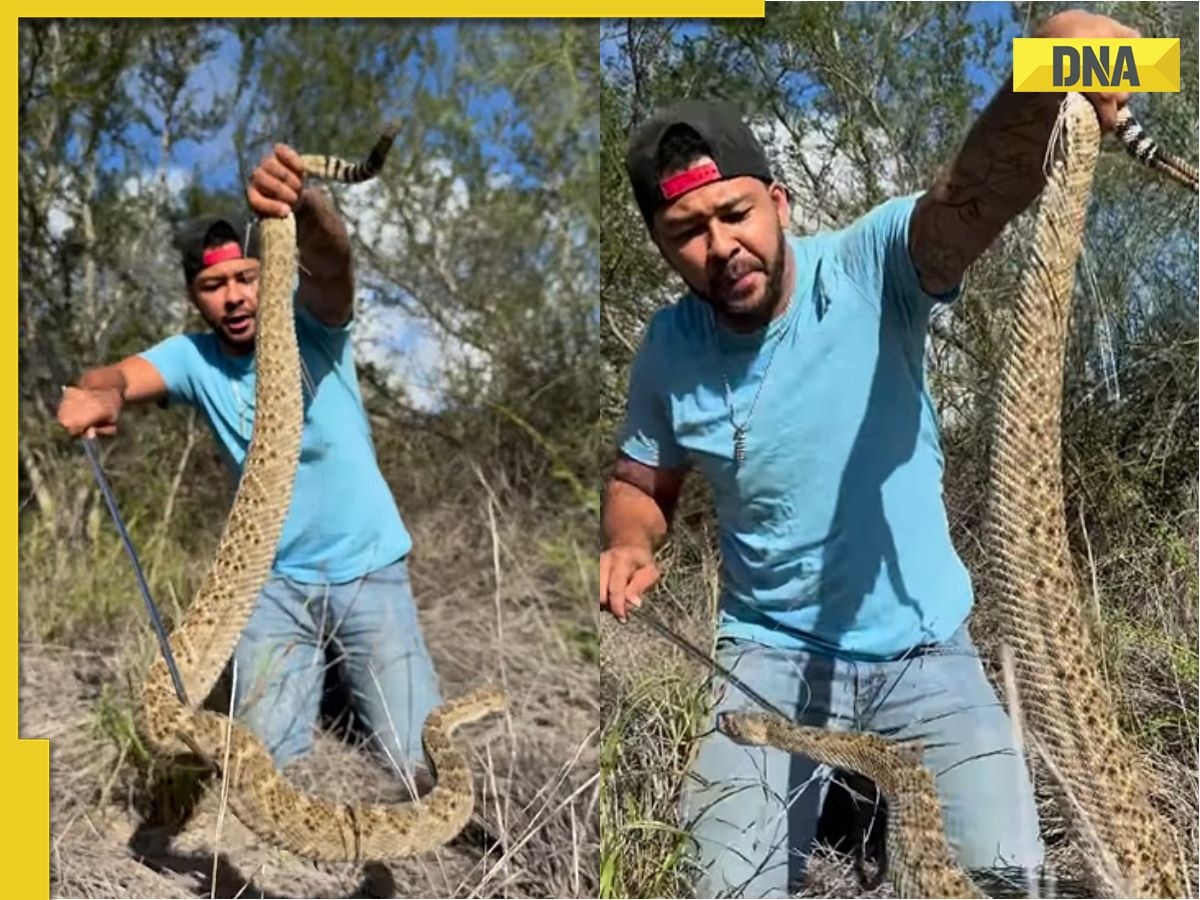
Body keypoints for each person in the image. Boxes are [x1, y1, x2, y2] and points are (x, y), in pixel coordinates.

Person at [600, 9, 1138, 898]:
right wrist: (629, 540)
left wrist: (1057, 66)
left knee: (1006, 883)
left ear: (778, 200)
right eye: (686, 233)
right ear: (664, 248)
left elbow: (973, 195)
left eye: (735, 212)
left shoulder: (873, 264)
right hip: (764, 657)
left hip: (927, 651)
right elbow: (640, 480)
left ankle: (872, 803)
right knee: (720, 887)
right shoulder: (669, 349)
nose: (719, 247)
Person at [57, 142, 442, 780]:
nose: (234, 297)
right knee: (268, 764)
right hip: (271, 586)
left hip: (367, 568)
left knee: (412, 762)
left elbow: (332, 260)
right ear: (193, 296)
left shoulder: (312, 323)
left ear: (268, 274)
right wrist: (99, 391)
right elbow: (115, 375)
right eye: (214, 285)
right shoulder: (192, 357)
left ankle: (351, 688)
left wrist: (302, 201)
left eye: (246, 277)